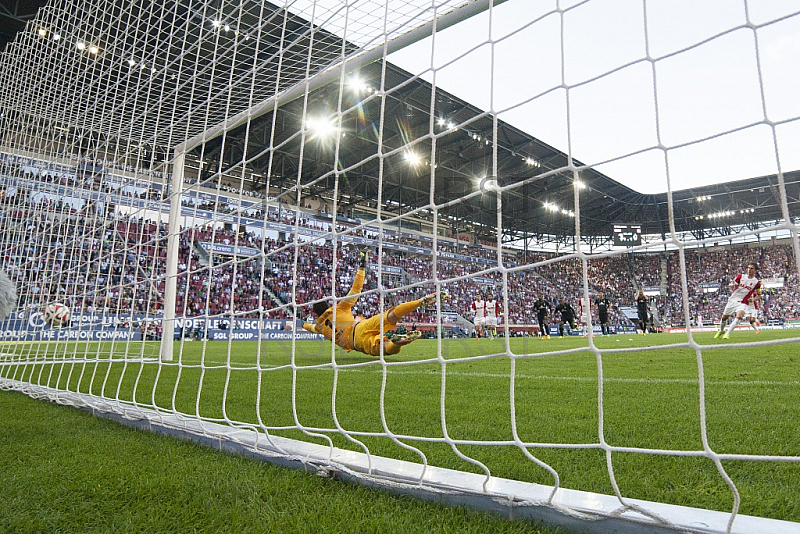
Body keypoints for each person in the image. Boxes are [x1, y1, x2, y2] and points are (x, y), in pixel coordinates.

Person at [302, 251, 447, 356]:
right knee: (390, 316)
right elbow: (356, 289)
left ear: (316, 313)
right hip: (360, 325)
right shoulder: (339, 308)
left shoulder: (320, 327)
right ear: (327, 305)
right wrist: (362, 267)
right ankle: (419, 302)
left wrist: (302, 324)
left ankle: (397, 342)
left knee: (382, 348)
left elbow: (311, 327)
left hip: (356, 342)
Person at [715, 262, 761, 339]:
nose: (749, 270)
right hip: (733, 299)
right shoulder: (741, 276)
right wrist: (733, 285)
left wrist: (753, 299)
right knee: (724, 317)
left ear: (756, 270)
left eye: (751, 268)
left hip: (743, 302)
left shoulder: (757, 283)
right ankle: (721, 331)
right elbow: (730, 284)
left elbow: (759, 296)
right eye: (748, 268)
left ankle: (727, 334)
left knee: (739, 316)